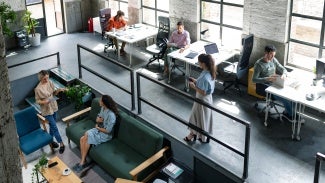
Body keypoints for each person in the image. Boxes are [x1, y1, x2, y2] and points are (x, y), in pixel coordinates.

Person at [72, 95, 118, 173]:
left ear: (104, 103)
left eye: (101, 101)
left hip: (105, 135)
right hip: (99, 129)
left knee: (86, 135)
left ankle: (82, 162)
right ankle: (83, 161)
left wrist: (99, 127)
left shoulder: (111, 115)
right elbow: (97, 119)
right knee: (82, 138)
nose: (99, 102)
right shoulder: (103, 108)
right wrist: (100, 122)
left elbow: (108, 131)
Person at [252, 45, 294, 120]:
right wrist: (267, 79)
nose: (272, 57)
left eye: (273, 55)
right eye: (271, 54)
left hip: (274, 83)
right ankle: (291, 116)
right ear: (266, 53)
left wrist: (284, 74)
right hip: (264, 87)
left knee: (291, 94)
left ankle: (288, 112)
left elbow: (283, 69)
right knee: (285, 98)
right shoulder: (259, 64)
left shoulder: (273, 60)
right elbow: (254, 79)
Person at [184, 54, 216, 143]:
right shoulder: (209, 72)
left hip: (201, 99)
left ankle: (192, 135)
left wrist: (193, 86)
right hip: (208, 99)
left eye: (199, 62)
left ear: (203, 63)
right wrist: (195, 80)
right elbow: (204, 86)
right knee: (204, 118)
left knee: (194, 117)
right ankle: (203, 136)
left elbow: (203, 92)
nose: (198, 63)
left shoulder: (204, 77)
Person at [34, 70, 66, 154]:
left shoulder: (50, 82)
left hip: (53, 106)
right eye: (44, 79)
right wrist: (44, 102)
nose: (46, 80)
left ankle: (50, 141)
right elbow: (37, 101)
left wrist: (58, 90)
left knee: (52, 126)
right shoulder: (38, 89)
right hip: (46, 110)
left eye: (47, 78)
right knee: (54, 127)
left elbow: (53, 93)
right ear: (40, 78)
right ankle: (61, 144)